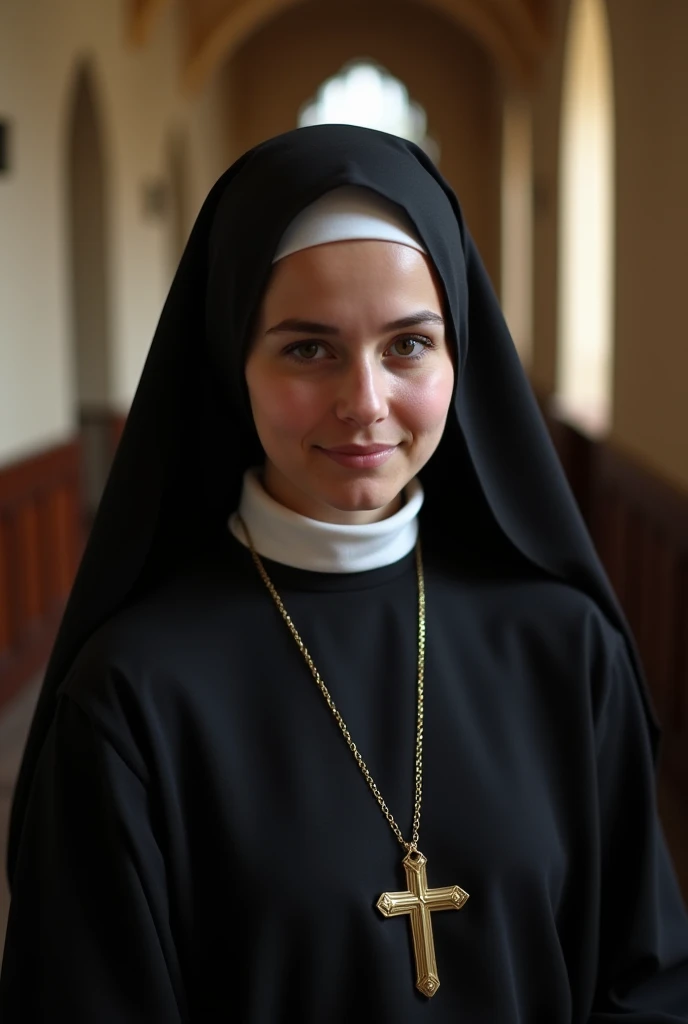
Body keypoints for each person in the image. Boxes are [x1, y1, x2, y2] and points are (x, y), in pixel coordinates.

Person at [1, 124, 687, 1022]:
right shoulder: (130, 694)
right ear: (230, 363)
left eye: (408, 345)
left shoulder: (568, 649)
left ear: (457, 357)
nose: (365, 404)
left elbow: (649, 981)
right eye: (307, 348)